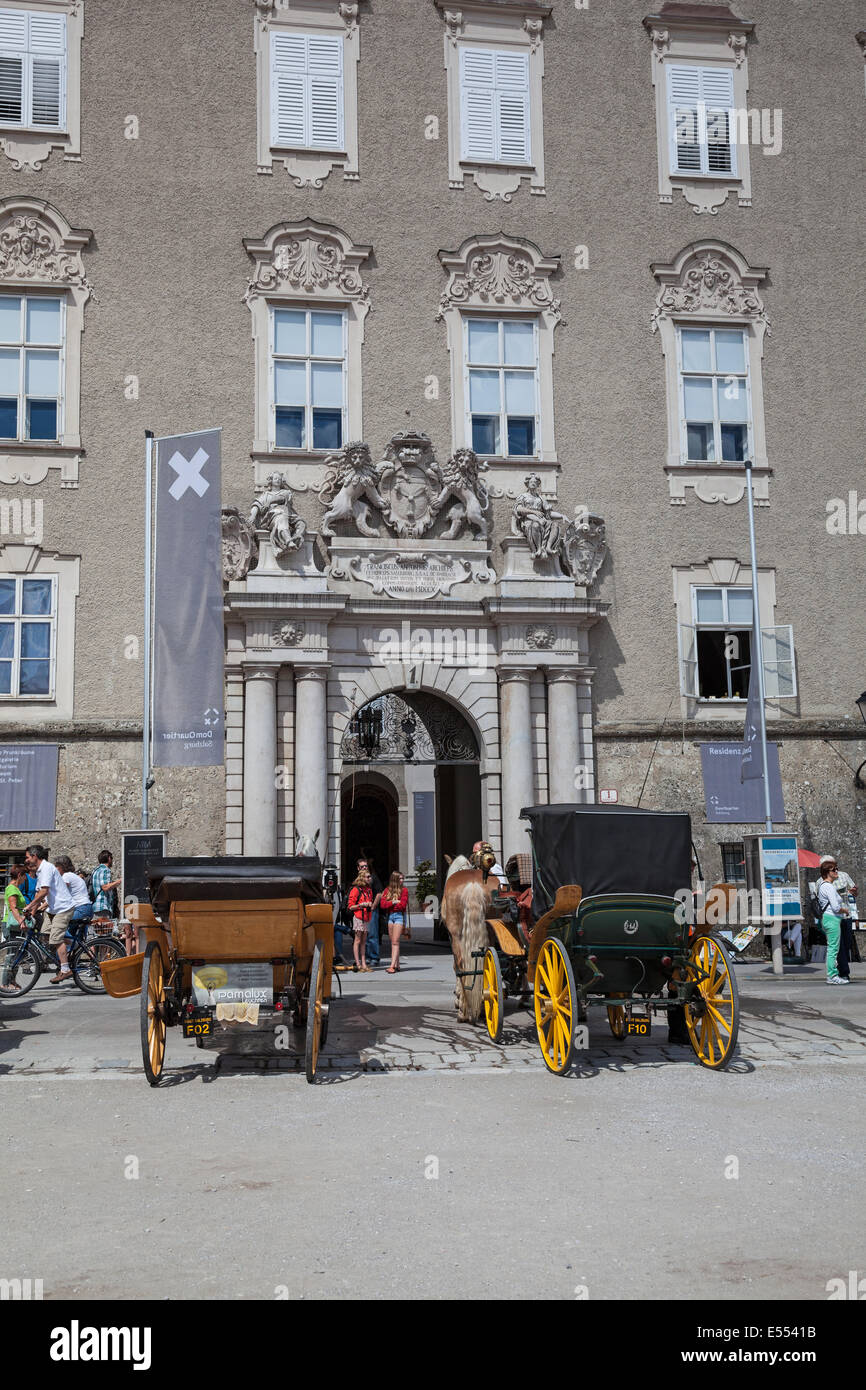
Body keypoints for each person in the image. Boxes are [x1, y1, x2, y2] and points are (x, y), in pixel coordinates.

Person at [22, 845, 76, 984]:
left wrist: (28, 906)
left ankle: (65, 969)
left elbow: (44, 892)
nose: (26, 860)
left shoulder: (46, 868)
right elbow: (39, 895)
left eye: (27, 857)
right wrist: (32, 912)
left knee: (56, 939)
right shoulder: (40, 871)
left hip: (63, 908)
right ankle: (70, 947)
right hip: (52, 909)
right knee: (45, 935)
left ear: (34, 856)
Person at [815, 856, 850, 985]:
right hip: (832, 919)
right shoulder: (828, 887)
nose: (836, 872)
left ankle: (833, 974)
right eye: (834, 870)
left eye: (836, 869)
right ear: (827, 873)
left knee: (833, 948)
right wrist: (844, 910)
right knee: (833, 949)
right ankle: (832, 975)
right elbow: (835, 907)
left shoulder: (825, 886)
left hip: (830, 919)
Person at [54, 856, 94, 946]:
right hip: (86, 908)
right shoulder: (74, 876)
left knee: (58, 924)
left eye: (56, 867)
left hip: (81, 909)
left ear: (61, 866)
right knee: (70, 933)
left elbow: (60, 893)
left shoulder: (66, 876)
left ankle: (74, 944)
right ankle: (73, 952)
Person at [90, 850, 123, 948]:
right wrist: (120, 881)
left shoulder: (95, 870)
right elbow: (105, 887)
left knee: (95, 936)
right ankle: (102, 960)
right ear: (108, 858)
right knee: (104, 937)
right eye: (111, 858)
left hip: (95, 906)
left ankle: (94, 959)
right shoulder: (106, 870)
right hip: (103, 906)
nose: (112, 860)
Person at [833, 856, 859, 974]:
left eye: (835, 867)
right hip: (834, 916)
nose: (835, 870)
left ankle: (841, 966)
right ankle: (844, 972)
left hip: (847, 915)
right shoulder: (822, 880)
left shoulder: (844, 875)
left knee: (847, 942)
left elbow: (855, 892)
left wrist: (853, 891)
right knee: (839, 944)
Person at [381, 870, 409, 974]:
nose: (402, 880)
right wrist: (393, 902)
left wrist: (391, 903)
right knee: (393, 941)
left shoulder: (404, 890)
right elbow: (383, 905)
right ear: (395, 879)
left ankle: (392, 966)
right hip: (390, 917)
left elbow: (402, 905)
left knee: (395, 942)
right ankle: (397, 964)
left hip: (399, 917)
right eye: (400, 878)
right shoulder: (387, 890)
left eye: (403, 878)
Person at [357, 856, 383, 966]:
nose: (364, 868)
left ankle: (374, 957)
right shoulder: (358, 880)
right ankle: (366, 957)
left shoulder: (373, 878)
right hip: (361, 911)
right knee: (364, 936)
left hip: (372, 911)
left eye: (366, 866)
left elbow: (379, 893)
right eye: (362, 866)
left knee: (372, 935)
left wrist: (373, 906)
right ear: (358, 868)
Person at [347, 869, 374, 973]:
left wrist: (370, 904)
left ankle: (364, 964)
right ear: (362, 878)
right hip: (358, 917)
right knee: (357, 941)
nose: (370, 878)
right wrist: (361, 905)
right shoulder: (356, 890)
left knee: (364, 941)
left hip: (367, 917)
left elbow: (370, 901)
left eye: (369, 876)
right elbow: (350, 906)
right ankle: (358, 964)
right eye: (368, 877)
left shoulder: (369, 890)